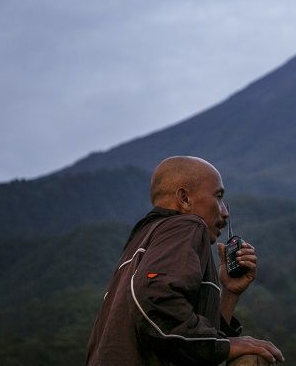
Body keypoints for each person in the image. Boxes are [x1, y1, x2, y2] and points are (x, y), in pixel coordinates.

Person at [86, 156, 284, 365]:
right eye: (218, 197)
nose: (225, 213)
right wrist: (228, 346)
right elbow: (156, 298)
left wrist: (230, 293)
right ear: (184, 198)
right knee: (251, 358)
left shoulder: (142, 241)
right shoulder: (186, 225)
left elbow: (185, 341)